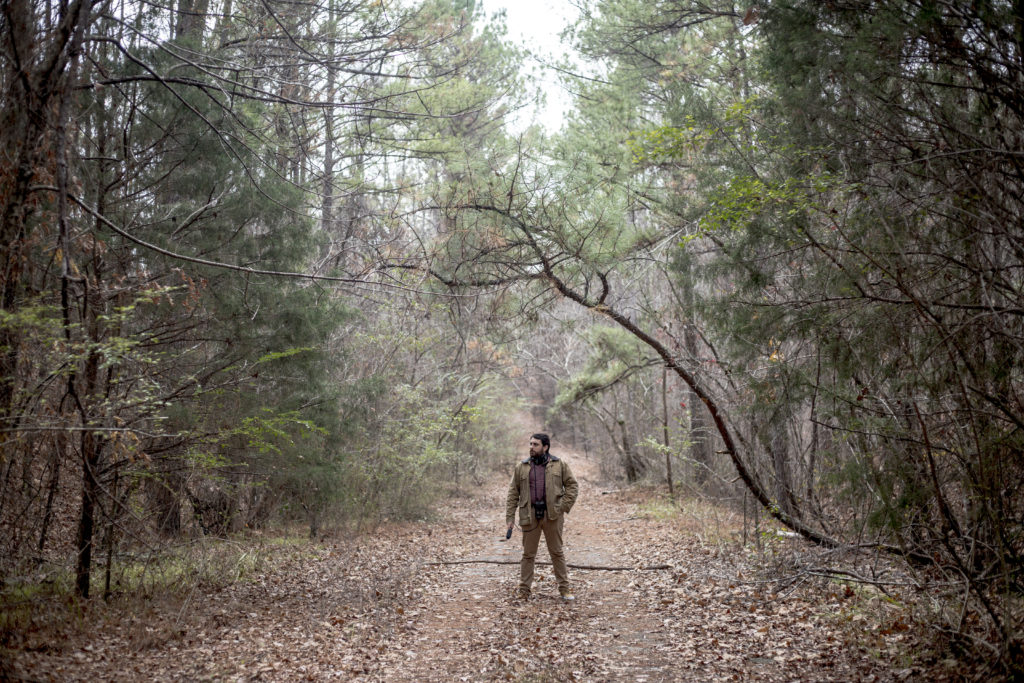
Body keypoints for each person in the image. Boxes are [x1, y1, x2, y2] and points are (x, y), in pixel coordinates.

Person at [505, 433, 579, 600]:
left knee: (557, 552)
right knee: (528, 554)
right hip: (529, 516)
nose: (531, 447)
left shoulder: (559, 465)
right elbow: (512, 493)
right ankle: (524, 591)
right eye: (530, 444)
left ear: (545, 447)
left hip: (552, 516)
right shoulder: (522, 467)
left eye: (535, 444)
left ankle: (564, 589)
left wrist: (562, 507)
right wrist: (510, 518)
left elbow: (572, 486)